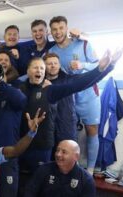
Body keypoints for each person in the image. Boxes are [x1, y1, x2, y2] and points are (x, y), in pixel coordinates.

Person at [48, 16, 100, 174]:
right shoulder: (52, 51)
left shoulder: (83, 44)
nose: (58, 32)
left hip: (88, 95)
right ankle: (68, 169)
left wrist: (82, 65)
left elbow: (99, 64)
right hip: (67, 99)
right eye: (54, 29)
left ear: (67, 28)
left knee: (92, 131)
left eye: (61, 28)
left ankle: (89, 171)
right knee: (69, 134)